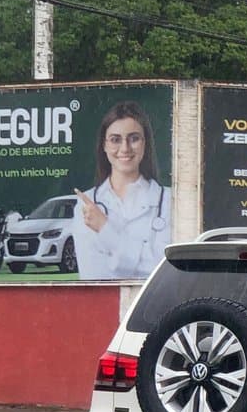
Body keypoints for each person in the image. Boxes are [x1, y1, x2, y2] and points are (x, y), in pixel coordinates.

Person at [70, 101, 171, 280]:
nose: (125, 148)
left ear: (145, 143)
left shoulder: (170, 201)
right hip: (103, 307)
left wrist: (105, 229)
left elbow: (165, 274)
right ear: (104, 145)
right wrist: (142, 254)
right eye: (116, 139)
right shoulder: (85, 205)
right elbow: (93, 275)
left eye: (134, 138)